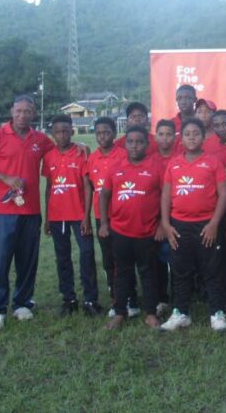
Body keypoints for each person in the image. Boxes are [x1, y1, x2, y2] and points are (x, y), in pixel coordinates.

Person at [0, 94, 54, 331]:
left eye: (27, 111)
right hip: (4, 210)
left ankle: (22, 303)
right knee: (0, 260)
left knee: (28, 260)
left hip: (31, 211)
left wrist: (78, 144)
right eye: (18, 111)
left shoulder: (40, 139)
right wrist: (5, 178)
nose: (22, 115)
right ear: (11, 111)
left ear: (33, 114)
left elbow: (58, 149)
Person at [159, 119, 226, 332]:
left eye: (196, 133)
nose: (191, 137)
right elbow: (165, 196)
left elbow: (224, 193)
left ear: (203, 137)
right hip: (179, 225)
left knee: (212, 270)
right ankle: (181, 312)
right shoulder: (174, 163)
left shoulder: (213, 162)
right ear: (181, 137)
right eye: (187, 133)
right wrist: (166, 224)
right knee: (180, 271)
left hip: (206, 225)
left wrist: (214, 223)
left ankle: (217, 313)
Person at [100, 127, 163, 330]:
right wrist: (103, 223)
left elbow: (165, 197)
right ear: (125, 144)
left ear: (147, 144)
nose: (135, 146)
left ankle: (151, 313)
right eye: (131, 142)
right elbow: (104, 195)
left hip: (147, 232)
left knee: (148, 273)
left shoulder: (157, 167)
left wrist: (162, 223)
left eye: (139, 142)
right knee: (122, 274)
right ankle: (120, 313)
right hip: (120, 232)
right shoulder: (116, 167)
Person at [43, 114, 99, 317]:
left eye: (66, 130)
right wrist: (48, 217)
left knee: (86, 254)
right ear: (53, 134)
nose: (62, 135)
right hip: (57, 217)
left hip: (78, 215)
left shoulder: (81, 153)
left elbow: (87, 186)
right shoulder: (49, 156)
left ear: (72, 131)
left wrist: (86, 217)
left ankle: (91, 299)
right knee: (62, 257)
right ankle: (69, 299)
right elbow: (49, 187)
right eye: (58, 131)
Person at [85, 117, 127, 313]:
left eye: (107, 132)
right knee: (108, 258)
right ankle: (114, 295)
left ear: (114, 133)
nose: (103, 136)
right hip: (101, 217)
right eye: (99, 133)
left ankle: (128, 295)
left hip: (123, 215)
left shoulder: (124, 155)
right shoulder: (91, 158)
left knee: (124, 257)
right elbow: (90, 187)